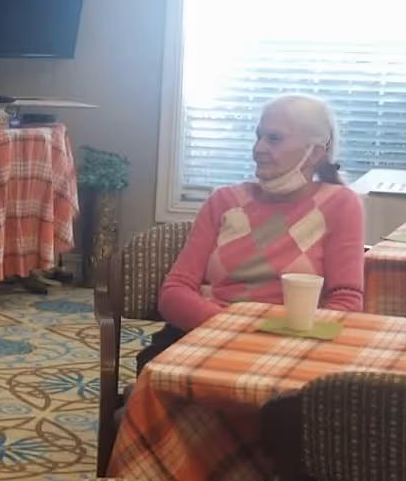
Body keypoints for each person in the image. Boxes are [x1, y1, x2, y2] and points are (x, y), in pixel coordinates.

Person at [141, 94, 365, 373]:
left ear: (315, 152)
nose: (258, 148)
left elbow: (346, 301)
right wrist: (239, 330)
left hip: (293, 347)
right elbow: (174, 293)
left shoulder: (340, 204)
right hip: (208, 337)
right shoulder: (224, 201)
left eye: (274, 138)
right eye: (258, 136)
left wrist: (284, 339)